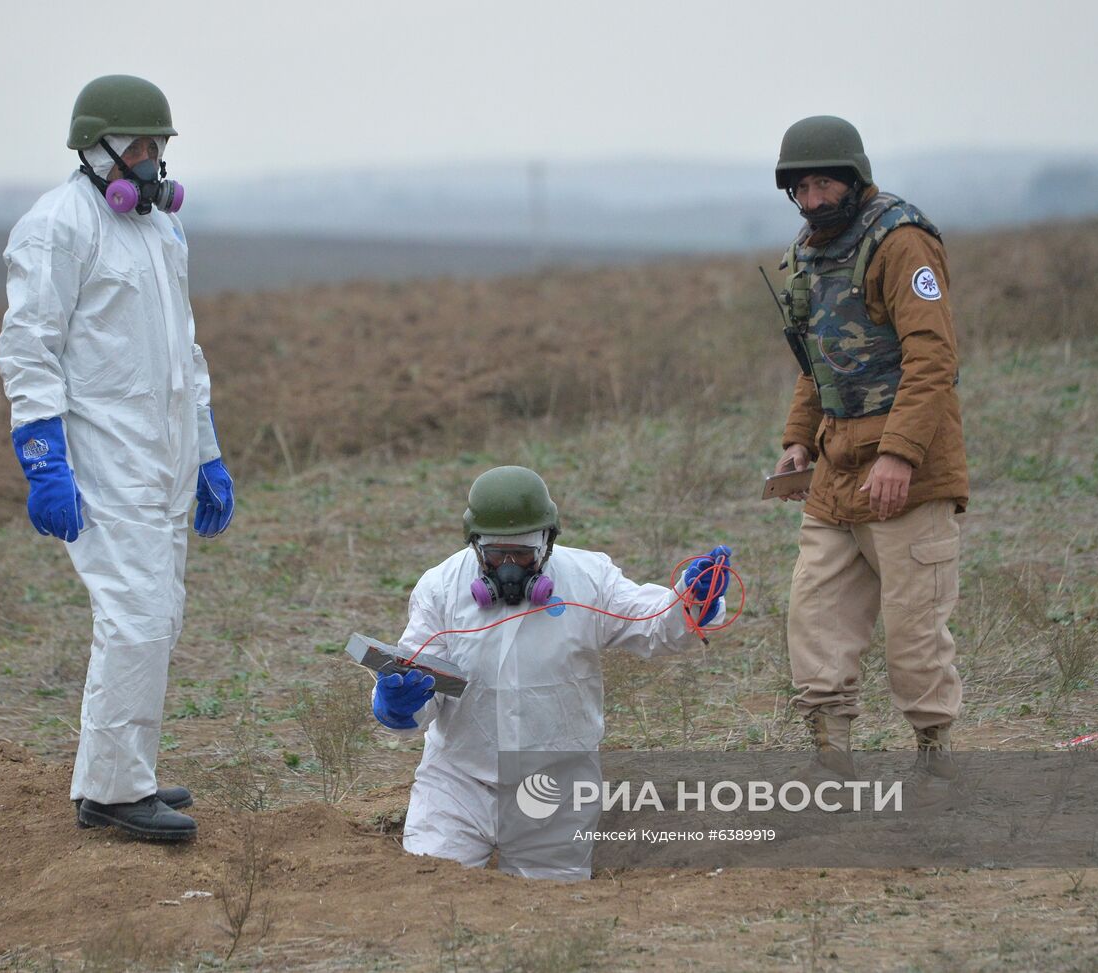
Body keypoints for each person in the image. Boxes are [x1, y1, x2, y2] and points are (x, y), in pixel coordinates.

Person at [0, 75, 235, 841]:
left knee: (159, 618)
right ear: (94, 148)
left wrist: (206, 450)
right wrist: (42, 458)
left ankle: (124, 770)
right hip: (104, 463)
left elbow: (184, 348)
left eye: (158, 144)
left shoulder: (161, 231)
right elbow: (29, 348)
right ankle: (112, 793)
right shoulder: (56, 227)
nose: (150, 157)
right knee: (133, 619)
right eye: (137, 144)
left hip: (163, 458)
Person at [371, 465, 730, 879]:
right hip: (457, 783)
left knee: (549, 912)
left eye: (522, 554)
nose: (509, 566)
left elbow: (654, 625)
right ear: (475, 545)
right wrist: (398, 706)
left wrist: (692, 600)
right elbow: (421, 682)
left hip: (554, 787)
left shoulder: (588, 579)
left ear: (548, 542)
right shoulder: (440, 587)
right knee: (426, 890)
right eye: (495, 554)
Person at [769, 115, 969, 784]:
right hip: (835, 469)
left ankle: (936, 765)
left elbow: (933, 355)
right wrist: (798, 440)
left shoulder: (901, 242)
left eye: (824, 183)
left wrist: (901, 454)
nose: (814, 199)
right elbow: (815, 361)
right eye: (801, 188)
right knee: (816, 622)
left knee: (914, 636)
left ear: (853, 178)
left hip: (907, 471)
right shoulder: (809, 253)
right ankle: (831, 769)